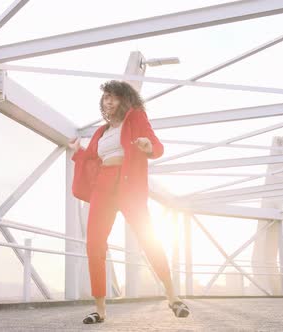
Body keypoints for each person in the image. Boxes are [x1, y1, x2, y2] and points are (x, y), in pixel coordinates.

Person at [68, 80, 190, 324]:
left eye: (114, 97)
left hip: (128, 185)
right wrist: (77, 151)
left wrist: (147, 147)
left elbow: (157, 146)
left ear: (125, 100)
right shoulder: (101, 132)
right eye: (106, 98)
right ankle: (100, 310)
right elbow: (92, 158)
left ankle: (173, 297)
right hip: (103, 187)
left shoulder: (136, 118)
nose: (109, 101)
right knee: (94, 245)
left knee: (148, 238)